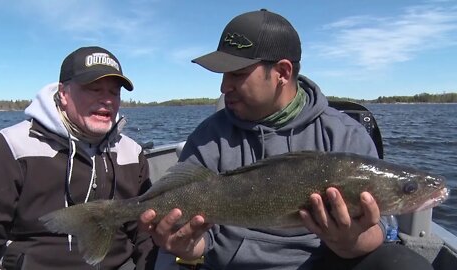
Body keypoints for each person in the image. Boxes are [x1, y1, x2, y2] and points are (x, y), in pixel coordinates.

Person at [140, 9, 434, 270]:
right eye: (223, 74)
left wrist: (350, 241)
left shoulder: (345, 135)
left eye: (237, 74)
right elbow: (203, 244)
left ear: (282, 72)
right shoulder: (207, 138)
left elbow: (377, 231)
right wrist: (187, 247)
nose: (223, 85)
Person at [0, 46, 157, 269]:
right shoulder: (10, 147)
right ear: (63, 93)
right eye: (94, 89)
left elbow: (142, 235)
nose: (107, 100)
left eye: (114, 92)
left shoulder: (132, 153)